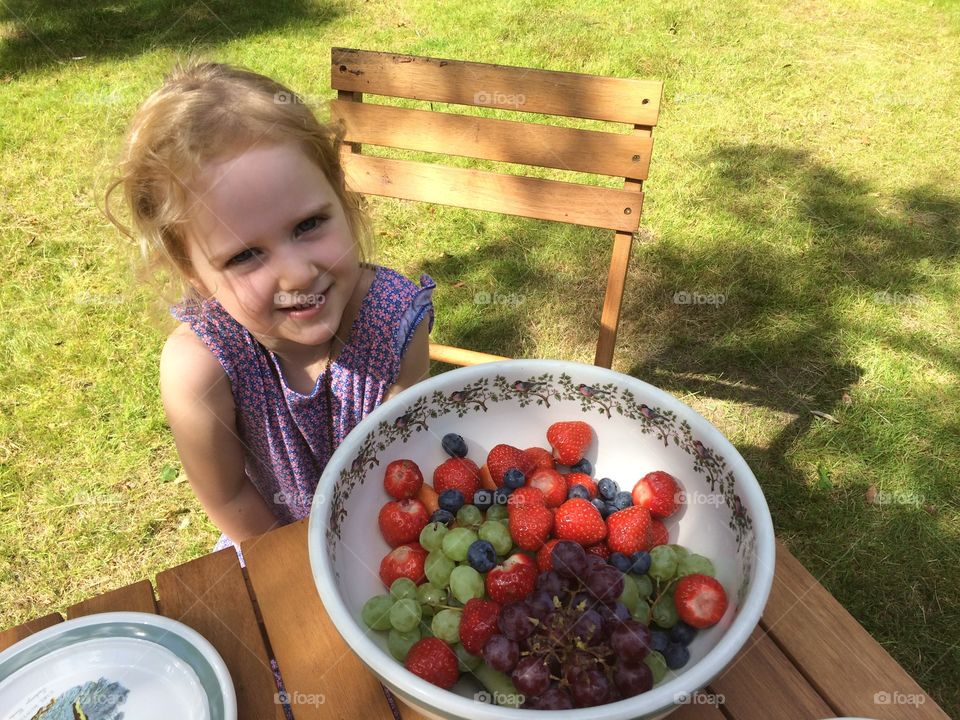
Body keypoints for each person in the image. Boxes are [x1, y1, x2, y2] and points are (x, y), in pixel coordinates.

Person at [104, 58, 435, 562]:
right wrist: (304, 567)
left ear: (341, 201)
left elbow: (398, 460)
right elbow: (229, 496)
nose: (298, 274)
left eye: (308, 225)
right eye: (244, 255)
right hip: (270, 548)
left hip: (382, 537)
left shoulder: (396, 321)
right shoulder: (201, 369)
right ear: (192, 271)